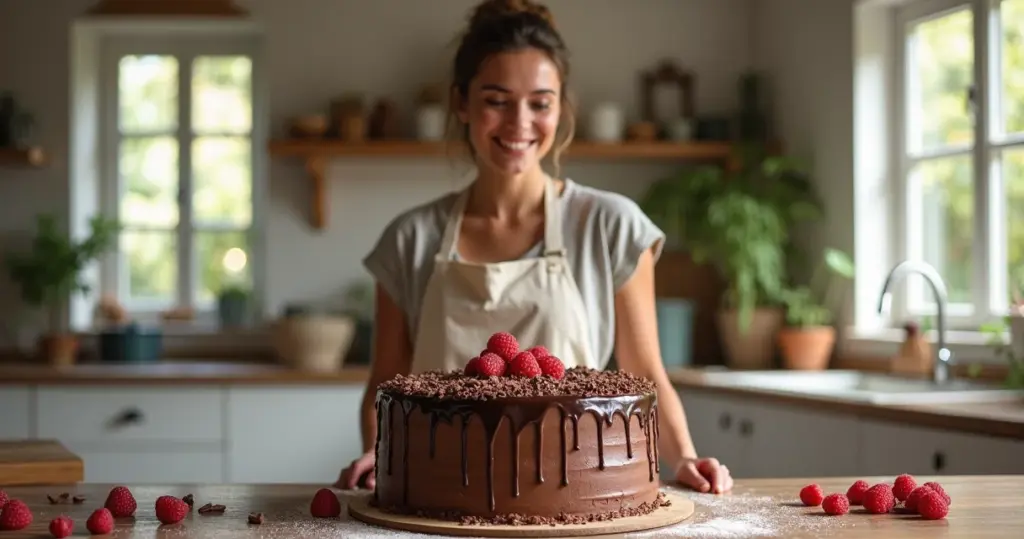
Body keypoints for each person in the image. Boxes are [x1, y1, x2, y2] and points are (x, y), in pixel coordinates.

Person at [335, 0, 733, 495]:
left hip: (574, 493)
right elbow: (385, 386)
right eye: (497, 100)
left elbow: (645, 373)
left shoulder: (611, 225)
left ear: (562, 108)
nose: (519, 122)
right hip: (437, 500)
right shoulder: (409, 239)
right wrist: (381, 455)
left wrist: (686, 459)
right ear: (461, 103)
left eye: (540, 102)